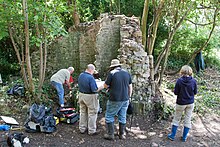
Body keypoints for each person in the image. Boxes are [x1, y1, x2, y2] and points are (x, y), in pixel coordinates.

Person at [103, 59, 133, 140]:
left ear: (112, 67)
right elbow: (130, 87)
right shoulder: (127, 73)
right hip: (125, 99)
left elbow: (105, 86)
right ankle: (122, 134)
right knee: (122, 116)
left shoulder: (112, 73)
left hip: (114, 99)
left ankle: (110, 135)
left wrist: (109, 87)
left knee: (109, 116)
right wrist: (129, 97)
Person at [168, 65, 197, 142]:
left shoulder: (179, 81)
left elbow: (176, 93)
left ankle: (172, 136)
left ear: (182, 71)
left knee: (176, 119)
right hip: (190, 103)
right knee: (188, 120)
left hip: (181, 103)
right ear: (190, 72)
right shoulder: (194, 81)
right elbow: (195, 92)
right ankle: (184, 137)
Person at [78, 64, 102, 135]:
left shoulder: (81, 75)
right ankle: (91, 130)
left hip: (81, 95)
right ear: (91, 70)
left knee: (83, 112)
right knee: (92, 113)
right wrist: (100, 87)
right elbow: (94, 89)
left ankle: (82, 128)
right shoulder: (90, 78)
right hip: (90, 96)